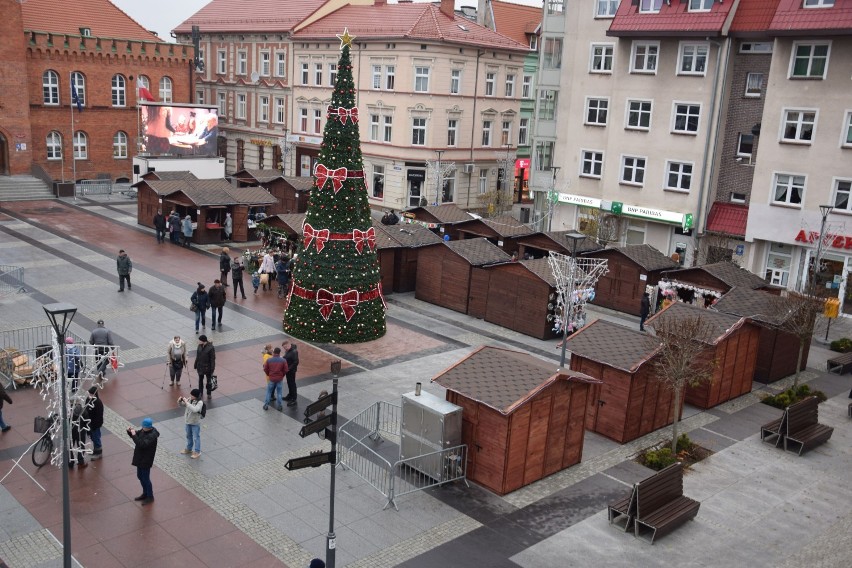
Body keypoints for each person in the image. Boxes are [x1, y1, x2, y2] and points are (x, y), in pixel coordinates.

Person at [127, 417, 159, 505]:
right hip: (140, 458)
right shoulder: (144, 431)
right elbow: (137, 434)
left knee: (145, 478)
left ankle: (150, 496)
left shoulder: (152, 436)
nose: (142, 428)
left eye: (143, 427)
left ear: (148, 427)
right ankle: (145, 493)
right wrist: (130, 432)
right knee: (140, 476)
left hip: (146, 460)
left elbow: (141, 444)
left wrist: (133, 435)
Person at [178, 389, 204, 459]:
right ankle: (189, 449)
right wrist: (180, 401)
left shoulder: (200, 402)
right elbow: (183, 405)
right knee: (188, 436)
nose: (191, 396)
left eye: (192, 395)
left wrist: (187, 403)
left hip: (195, 422)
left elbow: (195, 409)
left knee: (196, 437)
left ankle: (197, 452)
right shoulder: (190, 399)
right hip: (188, 421)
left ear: (196, 396)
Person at [262, 347, 288, 411]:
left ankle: (266, 405)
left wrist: (268, 374)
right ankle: (279, 406)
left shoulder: (269, 360)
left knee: (269, 392)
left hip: (271, 379)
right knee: (279, 392)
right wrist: (282, 375)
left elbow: (265, 369)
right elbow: (286, 370)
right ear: (279, 353)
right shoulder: (283, 360)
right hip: (279, 379)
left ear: (274, 353)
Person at [69, 399, 88, 469]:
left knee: (70, 446)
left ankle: (71, 461)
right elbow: (87, 421)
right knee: (81, 446)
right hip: (80, 431)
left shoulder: (69, 412)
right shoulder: (83, 411)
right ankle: (81, 462)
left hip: (71, 432)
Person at [86, 386, 104, 458]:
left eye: (91, 394)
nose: (90, 395)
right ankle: (95, 450)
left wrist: (95, 425)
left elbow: (99, 415)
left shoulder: (98, 403)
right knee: (93, 438)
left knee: (96, 438)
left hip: (95, 424)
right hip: (90, 423)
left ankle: (98, 452)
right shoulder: (88, 400)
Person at [282, 340, 299, 406]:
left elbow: (296, 362)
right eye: (284, 348)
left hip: (291, 371)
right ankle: (290, 395)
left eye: (285, 347)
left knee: (292, 384)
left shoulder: (294, 352)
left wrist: (289, 369)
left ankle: (293, 399)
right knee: (289, 383)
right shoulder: (288, 351)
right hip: (288, 370)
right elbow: (287, 357)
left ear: (289, 345)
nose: (285, 349)